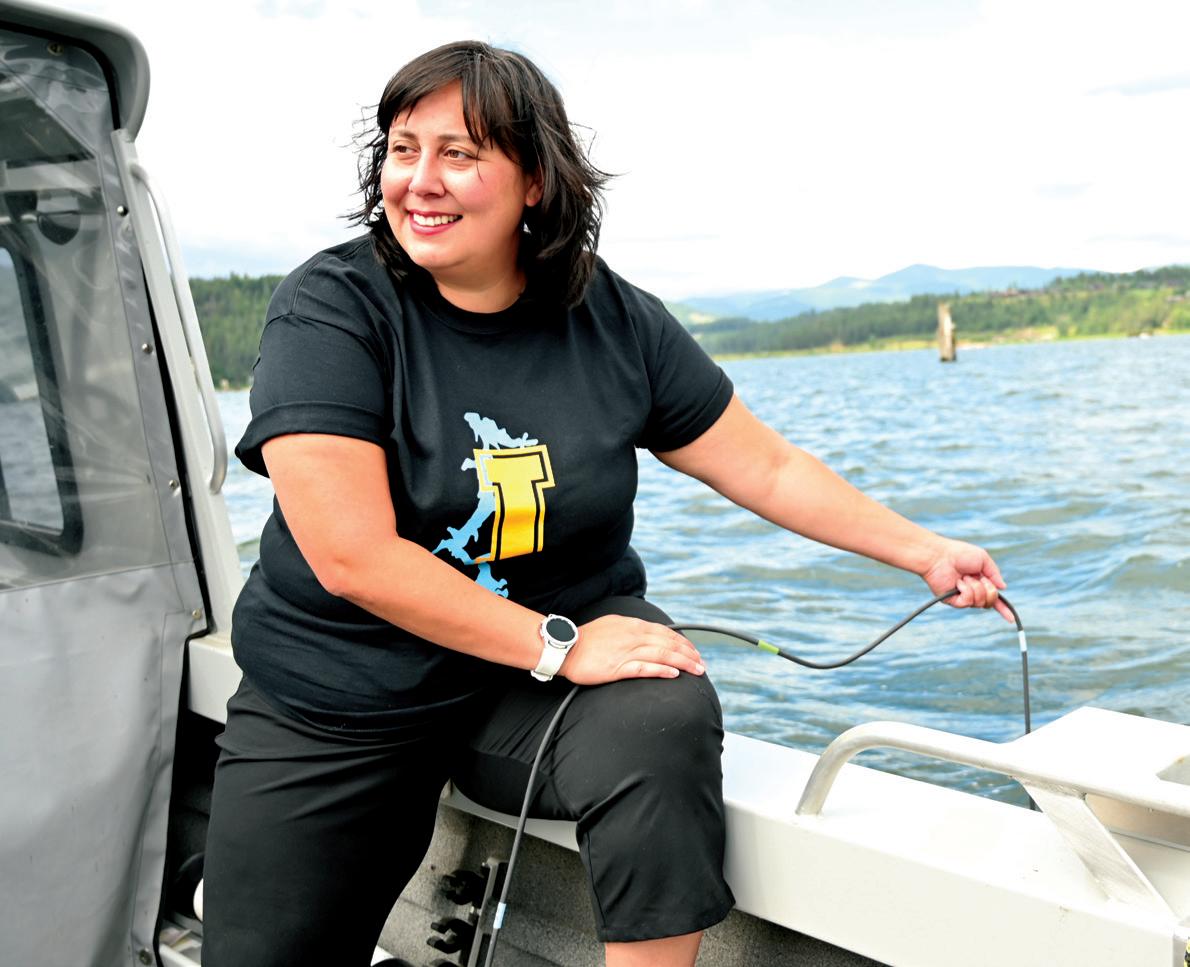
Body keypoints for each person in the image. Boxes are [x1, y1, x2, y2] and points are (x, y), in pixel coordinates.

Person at [201, 40, 1009, 967]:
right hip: (341, 692)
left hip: (526, 685)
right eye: (403, 149)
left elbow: (767, 467)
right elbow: (352, 556)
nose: (420, 181)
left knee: (661, 712)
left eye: (458, 154)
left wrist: (923, 551)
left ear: (536, 180)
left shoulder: (611, 317)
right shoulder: (331, 307)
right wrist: (560, 644)